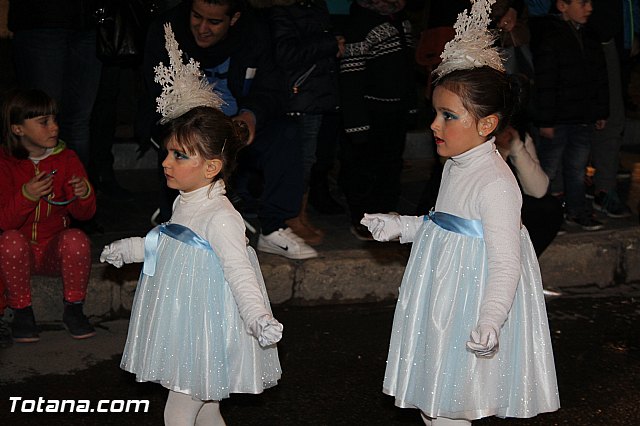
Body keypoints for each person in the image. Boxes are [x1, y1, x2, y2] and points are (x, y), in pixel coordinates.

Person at [360, 2, 560, 424]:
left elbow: (507, 264)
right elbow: (445, 226)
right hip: (442, 296)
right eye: (435, 112)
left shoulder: (496, 183)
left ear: (487, 125)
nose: (434, 125)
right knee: (436, 406)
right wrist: (399, 226)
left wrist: (490, 320)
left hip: (469, 303)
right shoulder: (456, 164)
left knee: (449, 408)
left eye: (448, 116)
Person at [100, 25, 282, 423]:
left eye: (180, 156)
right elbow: (170, 243)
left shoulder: (221, 216)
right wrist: (131, 248)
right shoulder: (187, 200)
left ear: (212, 167)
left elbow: (239, 271)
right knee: (207, 407)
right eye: (167, 153)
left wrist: (257, 317)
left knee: (179, 411)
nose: (166, 163)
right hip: (186, 317)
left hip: (205, 325)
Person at [140, 0, 318, 259]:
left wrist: (250, 116)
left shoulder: (254, 31)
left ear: (234, 19)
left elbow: (272, 87)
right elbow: (157, 93)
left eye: (214, 22)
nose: (202, 28)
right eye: (196, 17)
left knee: (286, 132)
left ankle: (272, 227)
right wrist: (197, 123)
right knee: (181, 145)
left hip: (237, 122)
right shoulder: (167, 28)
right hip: (184, 123)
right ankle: (176, 224)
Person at [0, 88, 97, 345]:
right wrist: (27, 196)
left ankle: (74, 308)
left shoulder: (67, 159)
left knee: (76, 238)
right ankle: (22, 312)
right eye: (43, 122)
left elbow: (85, 214)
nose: (54, 127)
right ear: (18, 129)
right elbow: (4, 222)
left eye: (54, 119)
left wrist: (84, 193)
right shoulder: (6, 163)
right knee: (9, 239)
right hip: (18, 254)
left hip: (52, 252)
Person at [266, 0, 344, 246]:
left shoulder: (314, 6)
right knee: (299, 160)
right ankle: (291, 216)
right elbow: (286, 53)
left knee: (309, 159)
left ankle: (299, 214)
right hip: (297, 96)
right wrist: (330, 44)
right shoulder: (281, 8)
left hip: (315, 93)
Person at [339, 0, 417, 240]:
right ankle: (364, 219)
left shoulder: (402, 20)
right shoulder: (360, 25)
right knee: (364, 169)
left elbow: (408, 67)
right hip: (369, 112)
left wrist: (411, 105)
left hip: (397, 109)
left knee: (391, 166)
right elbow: (351, 78)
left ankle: (387, 214)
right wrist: (356, 123)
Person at [529, 0, 609, 231]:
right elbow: (545, 81)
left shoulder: (591, 35)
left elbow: (600, 78)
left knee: (577, 168)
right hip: (557, 118)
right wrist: (546, 120)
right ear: (562, 5)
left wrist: (600, 111)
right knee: (548, 169)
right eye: (582, 2)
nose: (590, 8)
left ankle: (576, 210)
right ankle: (539, 214)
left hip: (583, 116)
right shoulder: (550, 35)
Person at [7, 0, 102, 169]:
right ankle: (37, 190)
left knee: (78, 121)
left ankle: (75, 189)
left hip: (89, 19)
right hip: (40, 19)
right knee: (38, 116)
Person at [587, 0, 632, 218]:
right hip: (582, 34)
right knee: (571, 122)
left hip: (612, 38)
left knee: (612, 119)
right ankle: (565, 193)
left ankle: (603, 188)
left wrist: (631, 34)